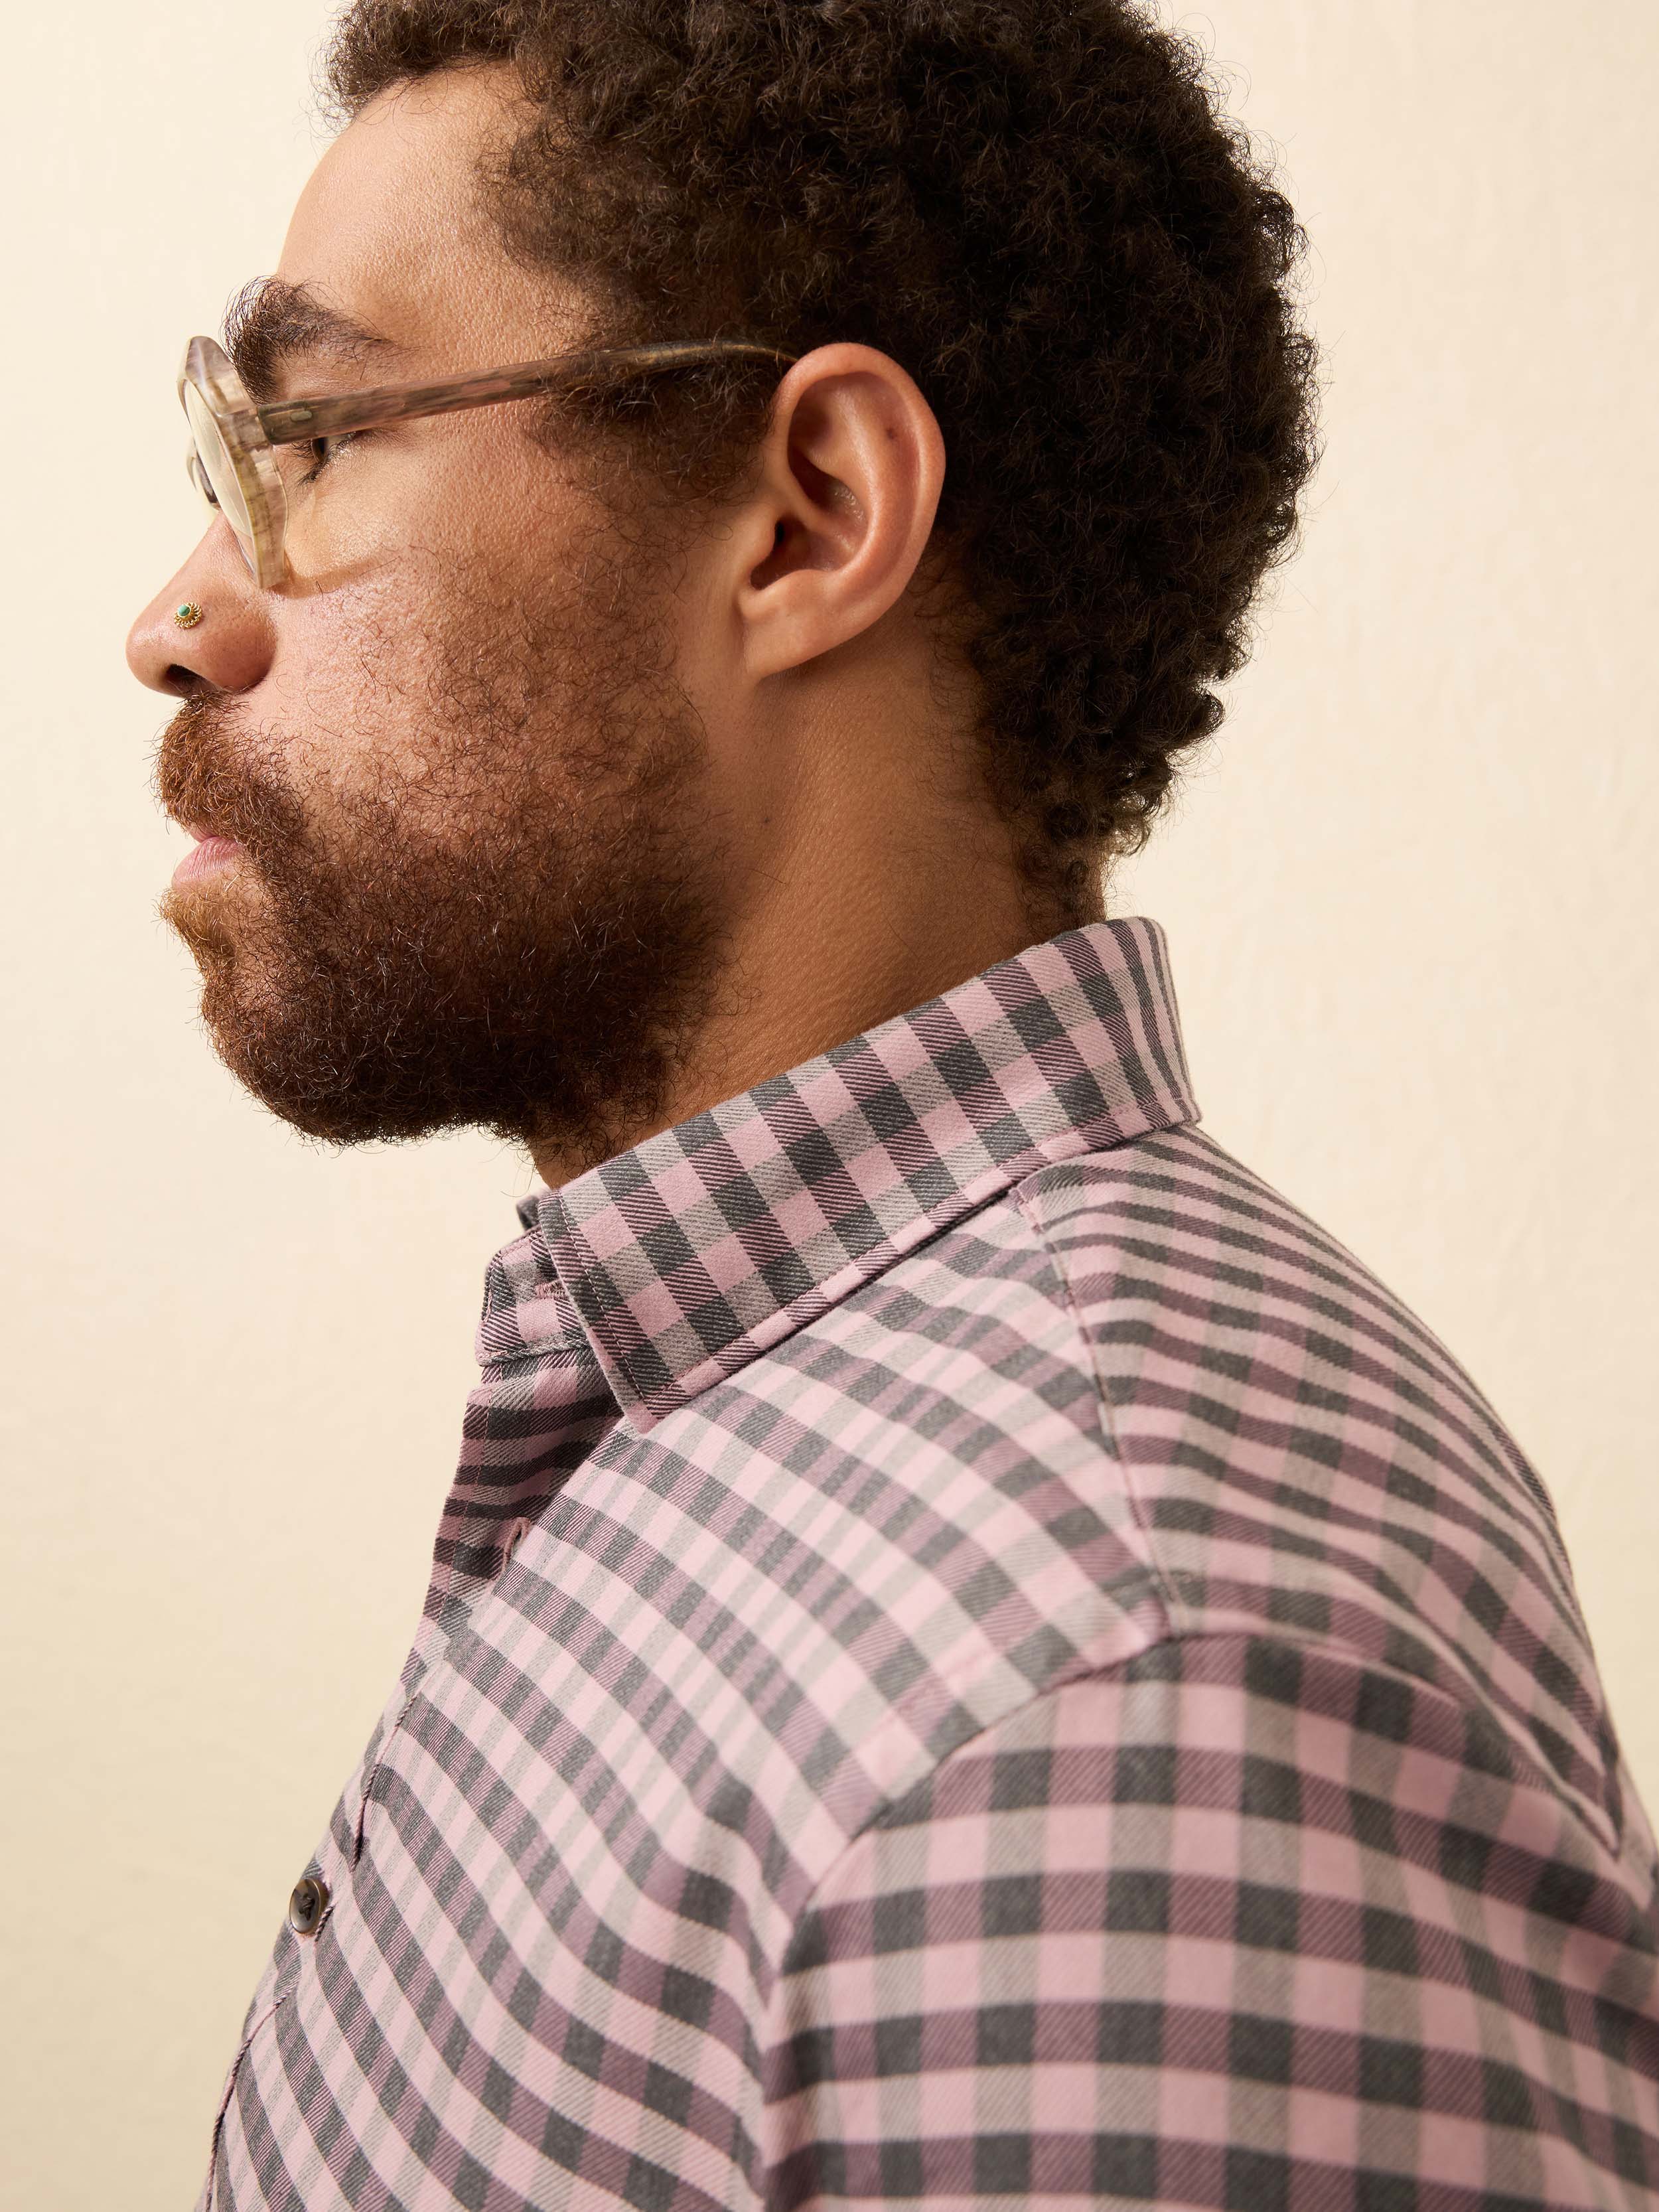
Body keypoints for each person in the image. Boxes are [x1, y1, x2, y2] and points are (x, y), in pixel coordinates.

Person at [125, 2, 1659, 2206]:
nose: (180, 620)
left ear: (806, 520)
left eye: (309, 441)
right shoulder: (738, 1419)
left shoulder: (1119, 1707)